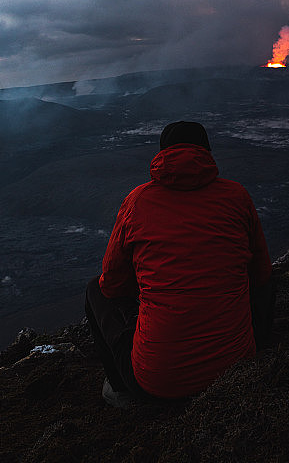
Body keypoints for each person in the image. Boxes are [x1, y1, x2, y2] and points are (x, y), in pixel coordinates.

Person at [85, 121, 274, 408]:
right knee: (263, 280)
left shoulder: (137, 202)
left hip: (157, 384)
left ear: (162, 155)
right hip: (235, 368)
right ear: (207, 152)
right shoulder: (237, 196)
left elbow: (111, 284)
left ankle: (121, 389)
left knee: (95, 290)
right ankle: (259, 346)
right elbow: (261, 273)